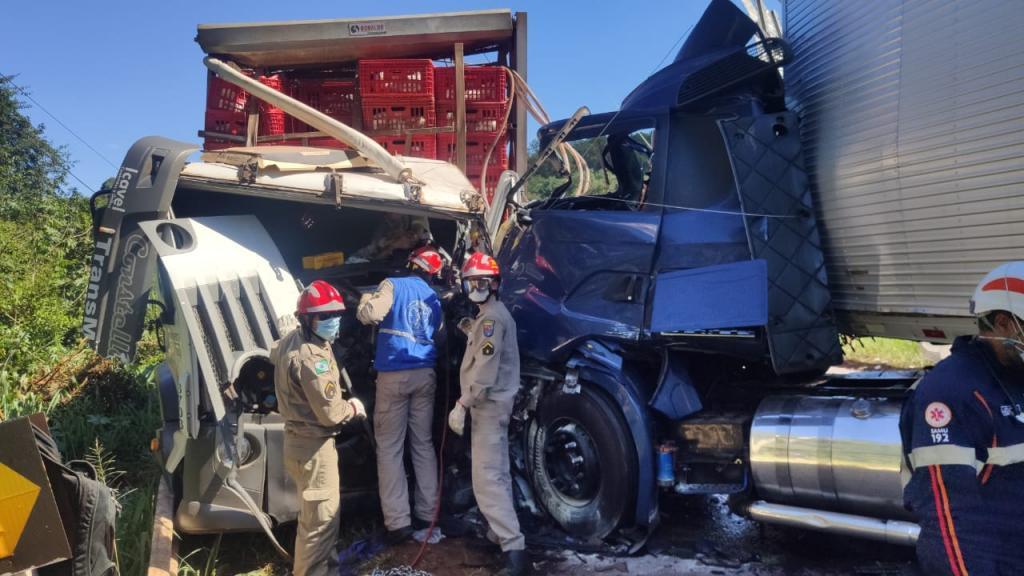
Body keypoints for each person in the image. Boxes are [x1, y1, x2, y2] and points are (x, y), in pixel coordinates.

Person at [901, 261, 1024, 575]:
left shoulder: (1016, 378)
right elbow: (949, 524)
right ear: (1004, 323)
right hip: (991, 561)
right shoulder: (950, 393)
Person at [270, 280, 367, 576]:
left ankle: (329, 570)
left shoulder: (291, 340)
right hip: (315, 449)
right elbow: (331, 414)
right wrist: (353, 407)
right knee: (320, 525)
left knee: (317, 521)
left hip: (297, 444)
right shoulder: (313, 359)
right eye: (324, 316)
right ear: (306, 319)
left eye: (335, 314)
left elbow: (274, 353)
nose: (332, 320)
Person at [357, 246, 444, 544]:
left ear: (411, 264)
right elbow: (439, 333)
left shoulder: (392, 285)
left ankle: (398, 523)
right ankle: (428, 514)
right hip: (425, 374)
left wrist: (365, 300)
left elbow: (371, 315)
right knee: (423, 444)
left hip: (394, 374)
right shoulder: (433, 296)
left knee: (390, 448)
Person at [447, 252, 527, 576]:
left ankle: (513, 548)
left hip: (488, 407)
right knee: (499, 474)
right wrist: (473, 331)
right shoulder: (489, 317)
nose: (477, 287)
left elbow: (485, 370)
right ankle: (497, 535)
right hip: (493, 407)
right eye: (472, 282)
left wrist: (462, 403)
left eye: (483, 282)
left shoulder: (492, 320)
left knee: (487, 479)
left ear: (494, 284)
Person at [350, 213, 431, 261]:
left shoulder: (414, 212)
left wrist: (412, 236)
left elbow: (418, 229)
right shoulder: (381, 231)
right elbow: (366, 259)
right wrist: (392, 246)